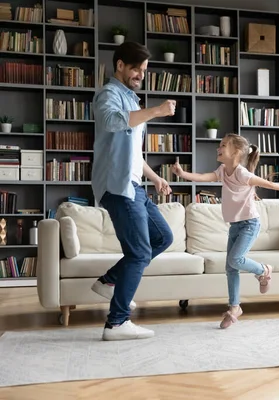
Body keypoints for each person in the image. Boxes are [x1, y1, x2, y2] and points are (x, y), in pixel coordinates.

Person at [171, 133, 279, 329]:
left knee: (235, 260)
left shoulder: (243, 174)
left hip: (250, 224)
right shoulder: (223, 170)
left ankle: (263, 270)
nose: (219, 148)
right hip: (235, 226)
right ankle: (234, 308)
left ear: (236, 152)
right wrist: (183, 174)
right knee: (230, 268)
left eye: (223, 145)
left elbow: (267, 184)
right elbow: (203, 177)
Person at [91, 41, 176, 341]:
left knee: (163, 237)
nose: (140, 74)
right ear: (120, 65)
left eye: (143, 70)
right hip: (117, 187)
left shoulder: (133, 100)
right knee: (139, 252)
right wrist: (155, 111)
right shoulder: (108, 94)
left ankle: (110, 281)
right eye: (136, 69)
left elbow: (133, 153)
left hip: (135, 185)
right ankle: (116, 322)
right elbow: (111, 121)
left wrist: (153, 177)